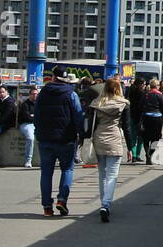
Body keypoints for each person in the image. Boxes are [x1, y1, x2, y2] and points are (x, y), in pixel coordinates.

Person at [34, 66, 85, 216]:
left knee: (46, 173)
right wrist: (81, 133)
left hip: (45, 138)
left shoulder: (42, 94)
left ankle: (47, 208)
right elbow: (78, 116)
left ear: (52, 77)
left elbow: (36, 115)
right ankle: (62, 200)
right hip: (66, 139)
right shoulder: (71, 94)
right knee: (67, 169)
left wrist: (39, 132)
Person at [89, 77, 130, 221]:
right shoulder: (123, 104)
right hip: (114, 139)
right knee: (112, 175)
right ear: (119, 89)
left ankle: (102, 202)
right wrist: (130, 147)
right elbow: (127, 126)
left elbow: (91, 125)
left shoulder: (97, 103)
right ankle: (106, 205)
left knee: (102, 174)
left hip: (99, 138)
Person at [141, 78, 163, 164]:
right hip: (157, 118)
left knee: (146, 138)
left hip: (147, 117)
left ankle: (147, 155)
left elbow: (140, 105)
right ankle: (150, 154)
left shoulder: (146, 94)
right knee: (155, 138)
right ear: (157, 86)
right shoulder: (160, 95)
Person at [17, 85, 38, 168]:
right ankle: (28, 161)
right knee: (30, 138)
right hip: (26, 124)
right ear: (29, 95)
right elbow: (27, 117)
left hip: (37, 124)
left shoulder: (39, 104)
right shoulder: (25, 104)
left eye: (36, 94)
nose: (35, 95)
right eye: (33, 94)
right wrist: (34, 117)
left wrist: (34, 116)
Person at [127, 76, 146, 163]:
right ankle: (137, 155)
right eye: (144, 84)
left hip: (132, 115)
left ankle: (133, 155)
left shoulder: (131, 91)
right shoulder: (142, 93)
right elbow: (142, 106)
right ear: (140, 84)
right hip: (140, 117)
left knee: (133, 137)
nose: (145, 86)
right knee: (140, 137)